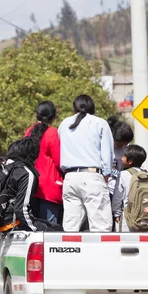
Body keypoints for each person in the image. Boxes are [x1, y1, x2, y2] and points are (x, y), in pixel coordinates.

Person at [59, 94, 114, 232]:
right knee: (101, 226)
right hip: (91, 176)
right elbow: (107, 152)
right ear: (92, 108)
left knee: (70, 226)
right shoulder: (99, 123)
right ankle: (99, 253)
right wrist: (106, 175)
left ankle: (69, 252)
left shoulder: (64, 124)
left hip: (70, 177)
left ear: (74, 109)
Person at [0, 137, 59, 233]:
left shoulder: (2, 169)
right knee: (56, 230)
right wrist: (35, 230)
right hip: (13, 223)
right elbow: (20, 209)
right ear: (32, 156)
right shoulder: (25, 173)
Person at [24, 101, 63, 224]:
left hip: (32, 186)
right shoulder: (52, 133)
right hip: (49, 189)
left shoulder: (29, 131)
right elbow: (59, 161)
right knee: (50, 229)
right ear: (54, 116)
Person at [111, 144, 148, 232]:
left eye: (124, 156)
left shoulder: (123, 174)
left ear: (130, 161)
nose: (121, 158)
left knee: (126, 243)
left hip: (128, 217)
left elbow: (118, 196)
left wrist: (116, 213)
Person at [107, 116, 134, 199]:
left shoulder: (126, 149)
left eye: (124, 144)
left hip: (120, 188)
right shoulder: (105, 147)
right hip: (107, 188)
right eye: (119, 144)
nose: (122, 146)